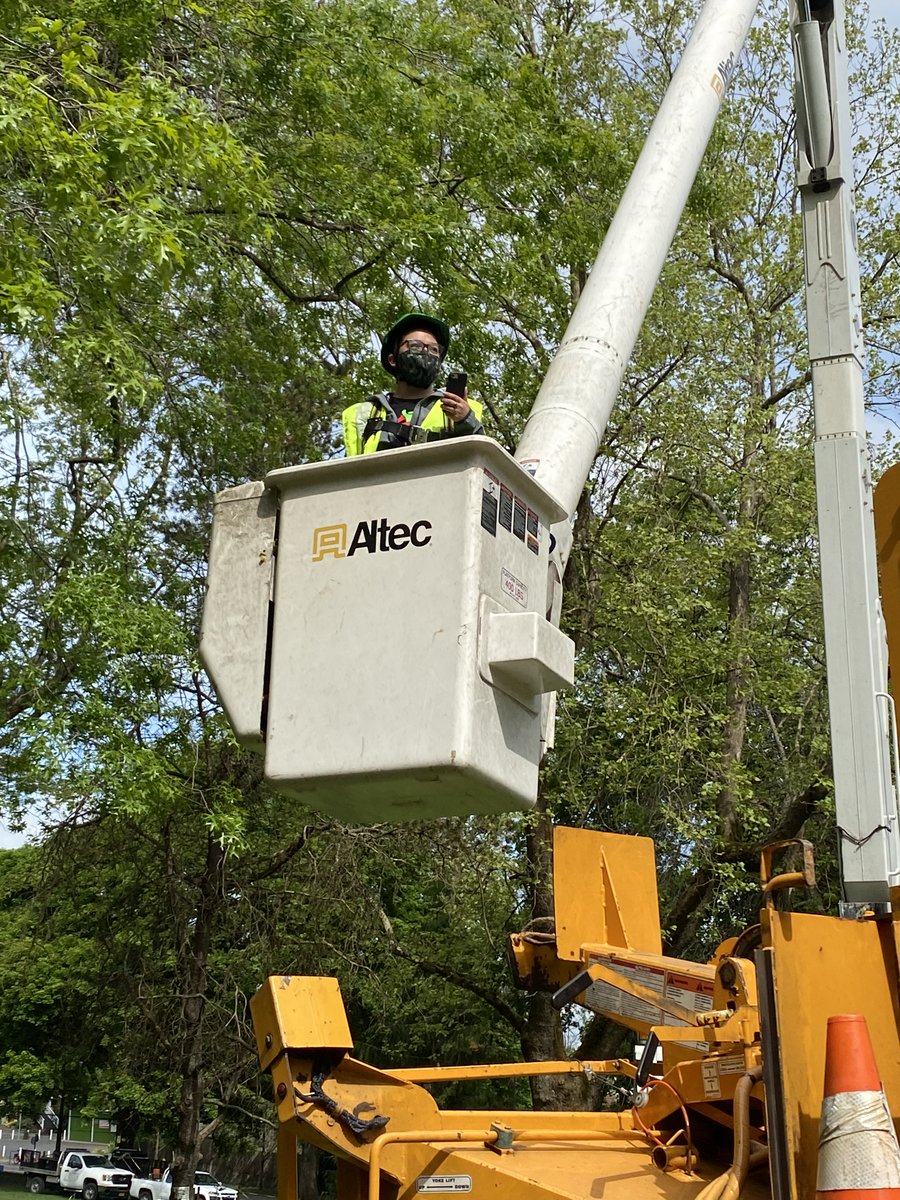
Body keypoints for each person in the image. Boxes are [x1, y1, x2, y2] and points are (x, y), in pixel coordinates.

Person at [342, 312, 484, 455]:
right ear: (393, 359)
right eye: (415, 346)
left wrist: (466, 421)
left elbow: (481, 461)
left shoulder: (462, 408)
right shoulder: (363, 413)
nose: (425, 352)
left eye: (434, 349)